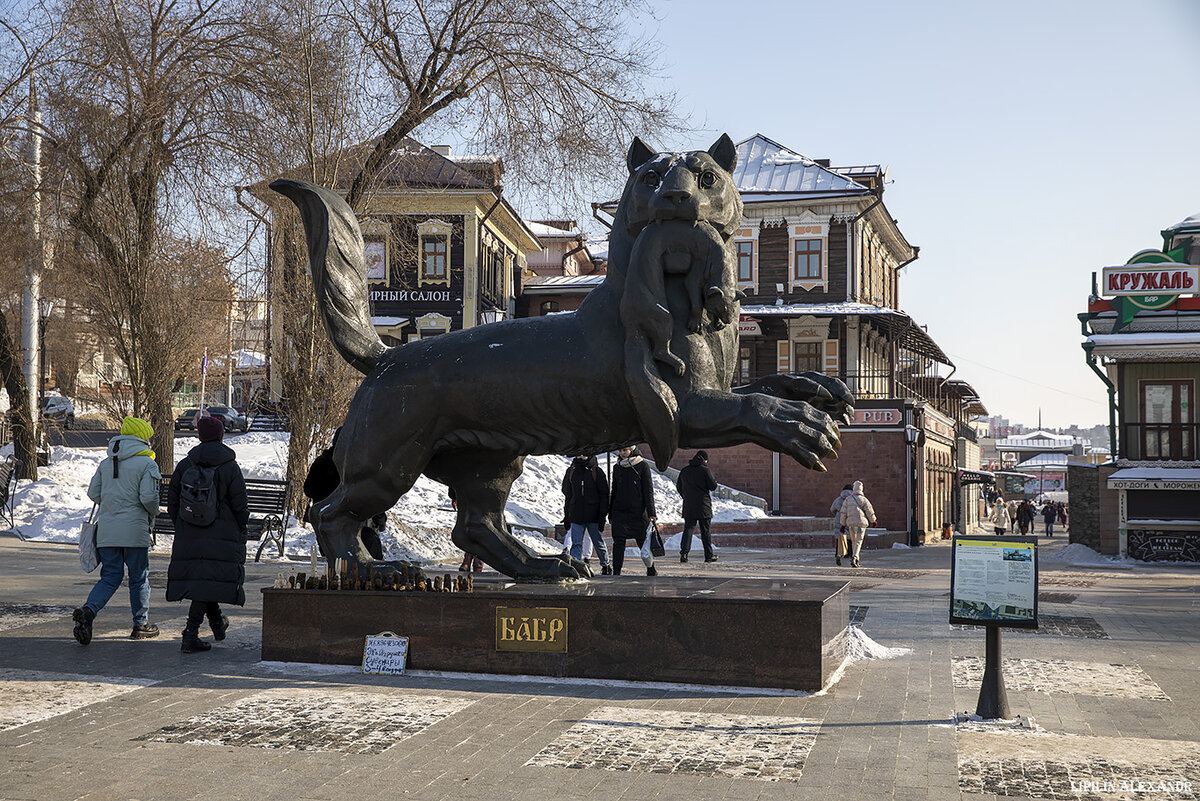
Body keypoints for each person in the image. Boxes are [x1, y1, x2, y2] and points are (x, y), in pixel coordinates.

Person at [73, 416, 163, 645]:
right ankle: (141, 624)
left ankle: (89, 611)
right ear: (142, 438)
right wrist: (155, 512)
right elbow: (149, 498)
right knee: (139, 579)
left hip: (107, 532)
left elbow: (94, 494)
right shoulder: (147, 464)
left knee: (110, 577)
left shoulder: (106, 463)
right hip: (134, 533)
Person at [166, 415, 249, 653]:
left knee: (203, 579)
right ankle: (190, 634)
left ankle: (217, 623)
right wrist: (240, 526)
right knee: (205, 580)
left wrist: (182, 525)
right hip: (221, 535)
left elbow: (172, 501)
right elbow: (240, 503)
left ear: (200, 436)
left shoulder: (185, 465)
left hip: (189, 533)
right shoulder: (229, 466)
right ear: (221, 435)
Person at [302, 427, 384, 560]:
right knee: (369, 546)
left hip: (326, 529)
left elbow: (308, 490)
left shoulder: (322, 463)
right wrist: (380, 519)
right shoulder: (356, 466)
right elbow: (370, 496)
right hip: (351, 531)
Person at [608, 445, 658, 576]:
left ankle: (651, 568)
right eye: (620, 450)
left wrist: (652, 512)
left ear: (632, 450)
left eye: (625, 450)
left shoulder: (642, 466)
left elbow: (648, 491)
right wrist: (610, 511)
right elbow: (614, 490)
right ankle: (616, 571)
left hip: (638, 511)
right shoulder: (617, 467)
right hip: (619, 511)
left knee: (642, 542)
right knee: (618, 542)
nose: (622, 453)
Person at [562, 454, 611, 574]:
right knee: (576, 543)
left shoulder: (596, 471)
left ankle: (605, 565)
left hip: (594, 515)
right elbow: (568, 495)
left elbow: (604, 495)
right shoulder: (571, 471)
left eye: (585, 454)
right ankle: (575, 567)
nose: (582, 456)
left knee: (598, 542)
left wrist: (602, 516)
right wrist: (567, 516)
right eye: (579, 454)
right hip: (576, 514)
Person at [676, 450, 718, 563]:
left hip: (689, 505)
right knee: (705, 531)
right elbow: (713, 486)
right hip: (703, 505)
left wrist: (686, 496)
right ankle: (708, 556)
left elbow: (679, 486)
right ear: (705, 459)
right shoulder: (705, 470)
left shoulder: (685, 470)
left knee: (688, 529)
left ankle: (684, 554)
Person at [837, 480, 877, 568]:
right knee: (859, 541)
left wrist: (843, 525)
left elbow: (843, 513)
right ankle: (855, 558)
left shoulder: (848, 499)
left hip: (851, 524)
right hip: (861, 524)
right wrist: (873, 521)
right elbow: (869, 511)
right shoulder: (864, 500)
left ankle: (855, 559)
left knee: (854, 541)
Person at [450, 488, 483, 573]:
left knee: (479, 528)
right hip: (467, 495)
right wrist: (454, 496)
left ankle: (474, 560)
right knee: (468, 528)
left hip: (480, 496)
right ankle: (469, 560)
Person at [829, 484, 854, 566]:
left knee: (840, 536)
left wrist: (837, 514)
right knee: (850, 536)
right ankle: (850, 553)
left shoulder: (838, 499)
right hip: (849, 518)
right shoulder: (853, 499)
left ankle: (839, 553)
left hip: (839, 518)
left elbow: (832, 509)